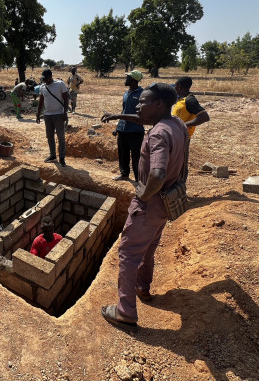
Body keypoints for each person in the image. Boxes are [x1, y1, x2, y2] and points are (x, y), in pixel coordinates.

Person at [101, 82, 189, 332]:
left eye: (143, 101)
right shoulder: (176, 125)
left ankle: (125, 311)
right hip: (165, 205)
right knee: (148, 249)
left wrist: (144, 193)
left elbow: (158, 173)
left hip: (148, 206)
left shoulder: (159, 133)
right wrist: (118, 115)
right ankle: (142, 288)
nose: (138, 104)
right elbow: (182, 164)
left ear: (159, 104)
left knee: (128, 254)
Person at [100, 70, 145, 182]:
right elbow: (124, 111)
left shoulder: (142, 94)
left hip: (135, 130)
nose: (125, 80)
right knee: (123, 154)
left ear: (134, 80)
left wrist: (116, 116)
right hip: (123, 129)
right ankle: (124, 174)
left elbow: (141, 115)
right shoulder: (126, 93)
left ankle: (139, 180)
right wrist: (118, 127)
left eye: (128, 78)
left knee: (136, 157)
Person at [172, 76, 210, 181]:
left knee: (181, 165)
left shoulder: (190, 100)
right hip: (175, 136)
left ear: (179, 86)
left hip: (183, 137)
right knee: (174, 163)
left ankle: (181, 190)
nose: (174, 87)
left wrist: (183, 125)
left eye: (175, 85)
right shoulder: (181, 99)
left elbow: (204, 117)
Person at [36, 69, 69, 167]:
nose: (44, 81)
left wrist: (65, 113)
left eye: (45, 79)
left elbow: (66, 99)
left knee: (61, 137)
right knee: (49, 136)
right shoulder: (43, 87)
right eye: (43, 79)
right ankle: (53, 155)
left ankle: (62, 158)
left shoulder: (60, 84)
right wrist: (38, 114)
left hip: (59, 114)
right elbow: (41, 101)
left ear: (50, 77)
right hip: (47, 115)